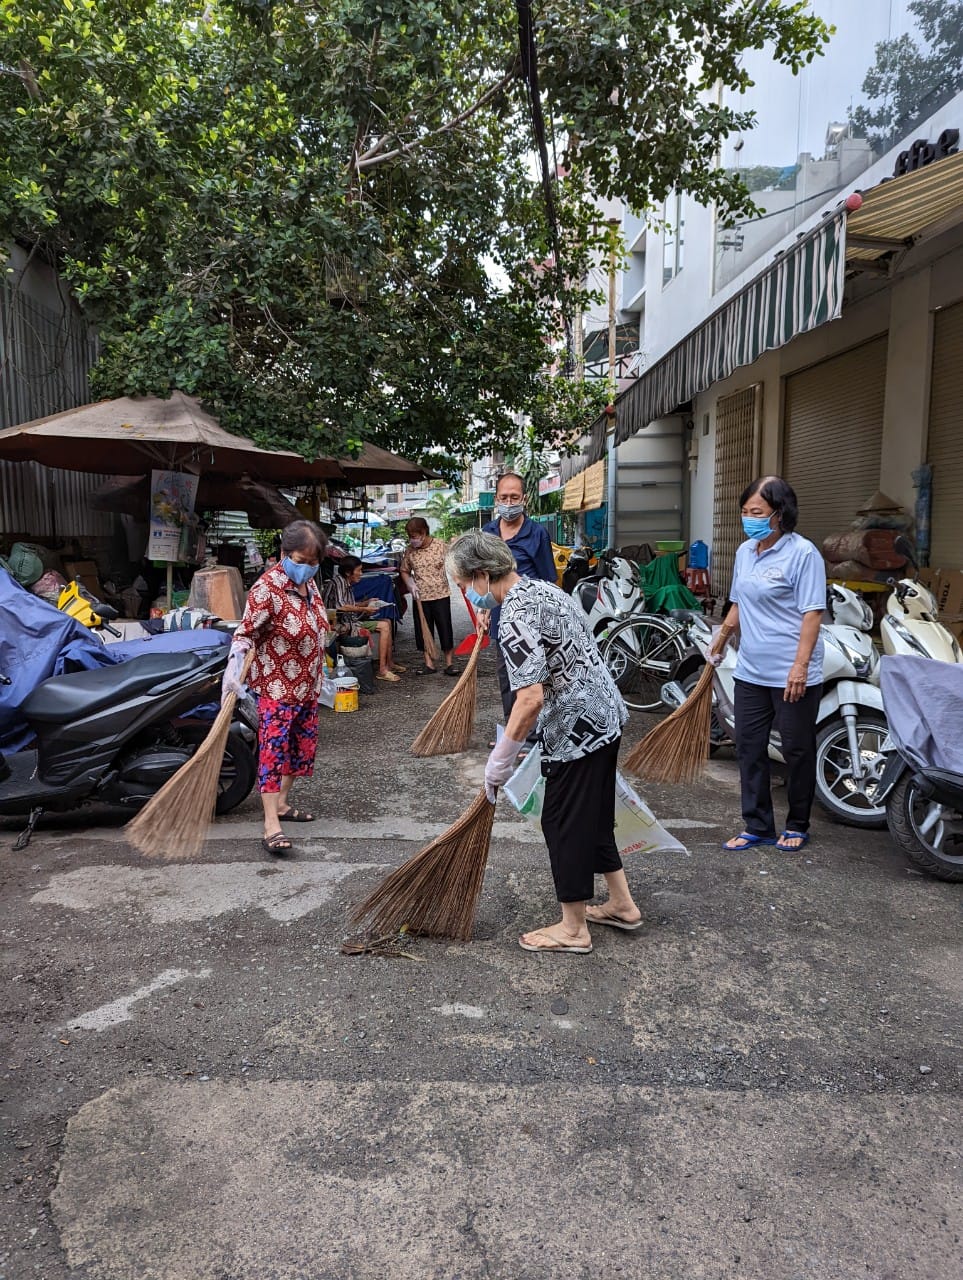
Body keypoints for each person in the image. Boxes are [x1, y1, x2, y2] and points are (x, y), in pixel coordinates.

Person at [447, 530, 641, 955]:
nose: (468, 595)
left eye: (465, 586)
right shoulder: (542, 590)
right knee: (591, 816)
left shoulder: (514, 615)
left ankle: (573, 929)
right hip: (604, 715)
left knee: (563, 822)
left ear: (481, 575)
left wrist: (500, 760)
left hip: (577, 730)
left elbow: (530, 698)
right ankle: (622, 904)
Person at [713, 476, 825, 853]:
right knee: (748, 746)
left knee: (796, 749)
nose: (749, 518)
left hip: (792, 672)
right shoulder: (746, 552)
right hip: (751, 671)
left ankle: (797, 823)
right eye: (745, 512)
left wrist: (800, 667)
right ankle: (757, 824)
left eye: (757, 512)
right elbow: (739, 603)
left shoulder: (804, 554)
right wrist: (721, 639)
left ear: (779, 514)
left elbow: (812, 614)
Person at [223, 520, 329, 856]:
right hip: (277, 689)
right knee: (273, 752)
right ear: (283, 554)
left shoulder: (311, 587)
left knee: (301, 749)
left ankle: (282, 803)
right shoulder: (266, 589)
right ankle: (271, 822)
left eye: (314, 563)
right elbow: (245, 634)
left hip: (308, 687)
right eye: (301, 560)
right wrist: (235, 663)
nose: (307, 569)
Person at [481, 471, 556, 730]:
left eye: (514, 497)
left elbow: (549, 581)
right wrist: (483, 607)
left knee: (531, 678)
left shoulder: (537, 534)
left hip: (531, 619)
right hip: (501, 619)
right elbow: (484, 576)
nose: (509, 503)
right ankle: (512, 731)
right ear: (496, 499)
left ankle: (534, 735)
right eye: (504, 497)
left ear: (524, 498)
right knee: (506, 676)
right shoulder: (488, 532)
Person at [323, 555, 404, 682]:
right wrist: (364, 609)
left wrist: (366, 603)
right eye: (359, 570)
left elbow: (351, 604)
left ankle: (390, 663)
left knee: (387, 621)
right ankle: (382, 670)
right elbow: (342, 606)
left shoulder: (346, 583)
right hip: (340, 624)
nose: (361, 573)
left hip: (351, 620)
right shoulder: (338, 582)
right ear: (348, 572)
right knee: (385, 626)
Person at [399, 517, 458, 676]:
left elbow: (454, 564)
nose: (413, 540)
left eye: (415, 536)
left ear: (424, 533)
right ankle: (429, 664)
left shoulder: (440, 546)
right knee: (423, 630)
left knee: (445, 628)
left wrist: (460, 579)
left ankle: (449, 664)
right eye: (410, 537)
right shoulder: (410, 550)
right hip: (420, 597)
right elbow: (404, 570)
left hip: (441, 594)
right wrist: (410, 583)